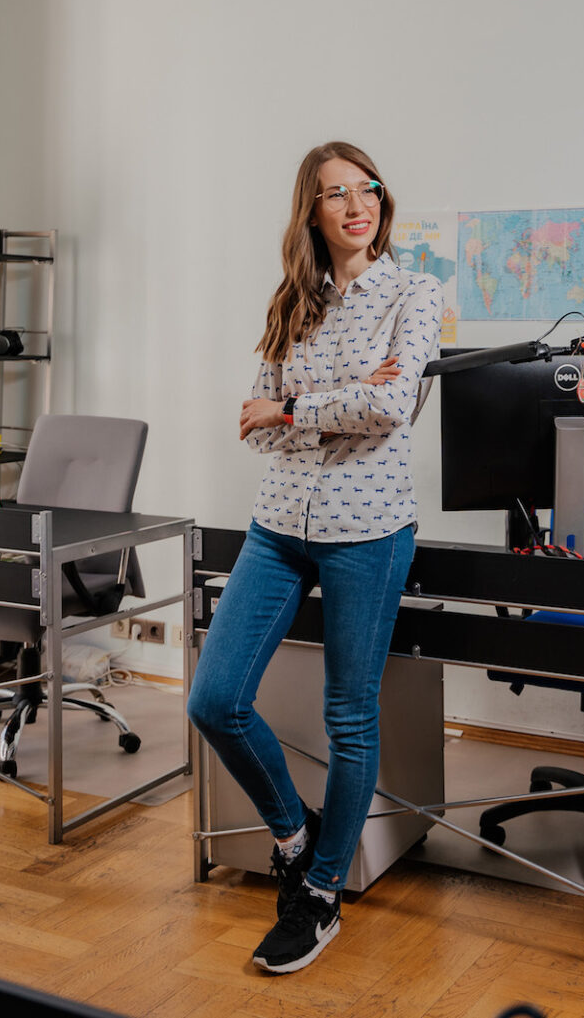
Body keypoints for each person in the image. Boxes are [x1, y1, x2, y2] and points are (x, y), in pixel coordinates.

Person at [187, 141, 443, 974]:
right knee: (214, 696)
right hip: (279, 522)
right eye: (335, 194)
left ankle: (323, 892)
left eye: (366, 188)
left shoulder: (414, 293)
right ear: (313, 212)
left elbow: (390, 405)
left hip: (369, 528)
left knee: (349, 716)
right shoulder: (292, 300)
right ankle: (297, 837)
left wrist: (296, 407)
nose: (356, 205)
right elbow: (256, 422)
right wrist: (329, 405)